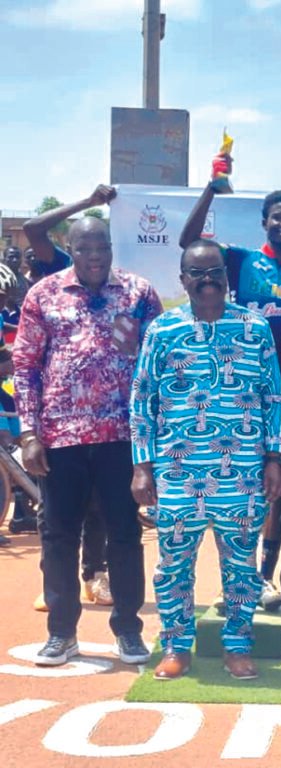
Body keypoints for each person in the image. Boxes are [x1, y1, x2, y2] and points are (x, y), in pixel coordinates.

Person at [130, 240, 281, 681]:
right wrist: (142, 466)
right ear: (183, 280)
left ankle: (237, 646)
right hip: (176, 473)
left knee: (241, 567)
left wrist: (273, 456)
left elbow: (273, 397)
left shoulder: (255, 329)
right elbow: (142, 400)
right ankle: (177, 645)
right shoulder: (162, 330)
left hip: (243, 471)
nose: (207, 280)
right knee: (174, 565)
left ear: (227, 276)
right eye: (196, 273)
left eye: (215, 270)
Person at [14, 214, 162, 667]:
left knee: (123, 533)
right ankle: (61, 633)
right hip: (61, 438)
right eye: (85, 249)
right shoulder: (44, 294)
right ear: (70, 249)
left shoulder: (138, 293)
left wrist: (151, 441)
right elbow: (25, 365)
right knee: (57, 535)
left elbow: (157, 363)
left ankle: (129, 631)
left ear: (111, 247)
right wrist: (29, 432)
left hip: (122, 436)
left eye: (102, 247)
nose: (95, 256)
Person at [179, 156, 281, 613]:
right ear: (265, 223)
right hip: (239, 388)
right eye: (277, 217)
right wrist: (210, 189)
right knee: (237, 486)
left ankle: (261, 578)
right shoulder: (240, 261)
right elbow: (187, 242)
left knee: (275, 486)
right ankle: (233, 579)